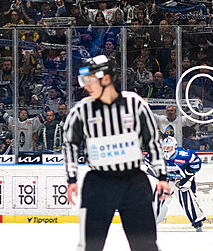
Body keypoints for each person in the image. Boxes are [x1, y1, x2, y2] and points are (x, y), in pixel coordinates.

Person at [62, 54, 170, 251]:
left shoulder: (134, 104)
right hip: (98, 183)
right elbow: (70, 145)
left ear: (106, 79)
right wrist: (71, 180)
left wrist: (162, 176)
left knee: (145, 245)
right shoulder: (81, 111)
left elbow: (152, 141)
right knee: (90, 246)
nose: (85, 86)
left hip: (134, 182)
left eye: (89, 81)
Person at [153, 136, 206, 231]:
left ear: (174, 147)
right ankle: (150, 222)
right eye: (164, 147)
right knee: (157, 200)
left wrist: (187, 174)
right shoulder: (158, 154)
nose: (166, 150)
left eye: (168, 147)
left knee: (187, 199)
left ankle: (197, 223)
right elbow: (148, 161)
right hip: (166, 180)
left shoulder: (184, 154)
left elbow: (196, 163)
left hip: (181, 179)